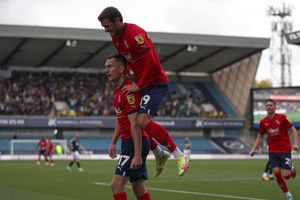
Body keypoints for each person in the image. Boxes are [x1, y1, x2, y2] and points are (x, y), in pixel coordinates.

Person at [98, 7, 190, 176]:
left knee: (142, 120)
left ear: (117, 20)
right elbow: (126, 63)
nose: (106, 30)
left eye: (107, 26)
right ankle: (158, 153)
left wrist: (139, 85)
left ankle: (180, 156)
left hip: (154, 83)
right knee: (133, 118)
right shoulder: (116, 38)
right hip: (142, 83)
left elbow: (152, 62)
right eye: (104, 27)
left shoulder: (135, 33)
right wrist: (125, 82)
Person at [105, 54, 151, 200]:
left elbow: (135, 124)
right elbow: (120, 118)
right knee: (138, 185)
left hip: (134, 142)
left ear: (121, 68)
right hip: (130, 142)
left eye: (109, 66)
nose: (106, 70)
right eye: (105, 67)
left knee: (116, 185)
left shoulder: (128, 91)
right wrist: (113, 141)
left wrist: (137, 154)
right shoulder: (117, 91)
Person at [249, 99, 298, 200]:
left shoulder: (282, 117)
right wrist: (253, 149)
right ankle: (288, 194)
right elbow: (260, 136)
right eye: (267, 105)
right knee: (276, 174)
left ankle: (291, 168)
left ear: (275, 107)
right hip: (273, 151)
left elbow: (292, 129)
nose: (269, 107)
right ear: (265, 108)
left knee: (286, 176)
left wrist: (296, 144)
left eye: (271, 105)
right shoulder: (263, 122)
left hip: (284, 149)